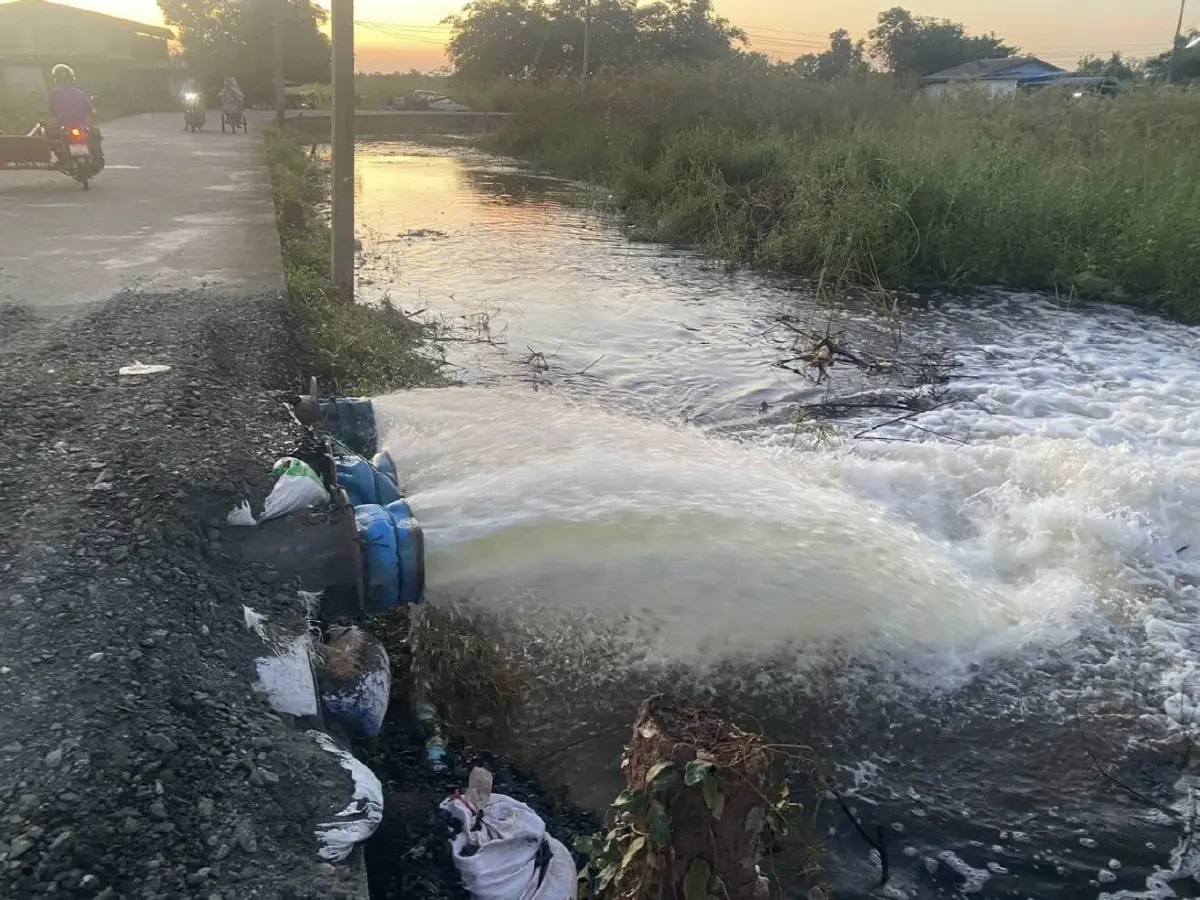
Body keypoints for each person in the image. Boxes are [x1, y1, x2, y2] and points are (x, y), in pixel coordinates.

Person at [47, 64, 103, 165]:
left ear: (55, 79)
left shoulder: (54, 94)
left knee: (50, 137)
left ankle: (61, 158)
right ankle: (96, 156)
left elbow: (52, 111)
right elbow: (89, 109)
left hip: (63, 125)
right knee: (95, 134)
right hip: (81, 124)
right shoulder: (79, 93)